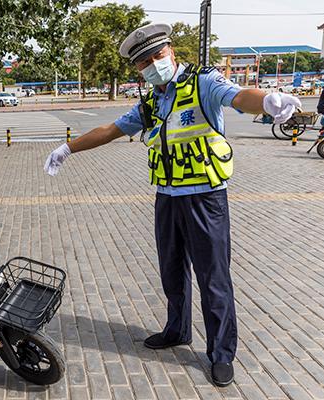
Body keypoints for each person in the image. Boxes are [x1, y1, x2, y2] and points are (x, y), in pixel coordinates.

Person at [44, 23, 300, 387]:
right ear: (138, 69)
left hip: (205, 198)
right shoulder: (150, 101)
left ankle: (222, 353)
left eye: (157, 56)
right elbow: (112, 130)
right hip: (167, 197)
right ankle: (177, 330)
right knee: (171, 271)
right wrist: (68, 147)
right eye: (144, 62)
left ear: (172, 52)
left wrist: (268, 101)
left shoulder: (203, 83)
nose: (153, 64)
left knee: (213, 278)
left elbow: (239, 96)